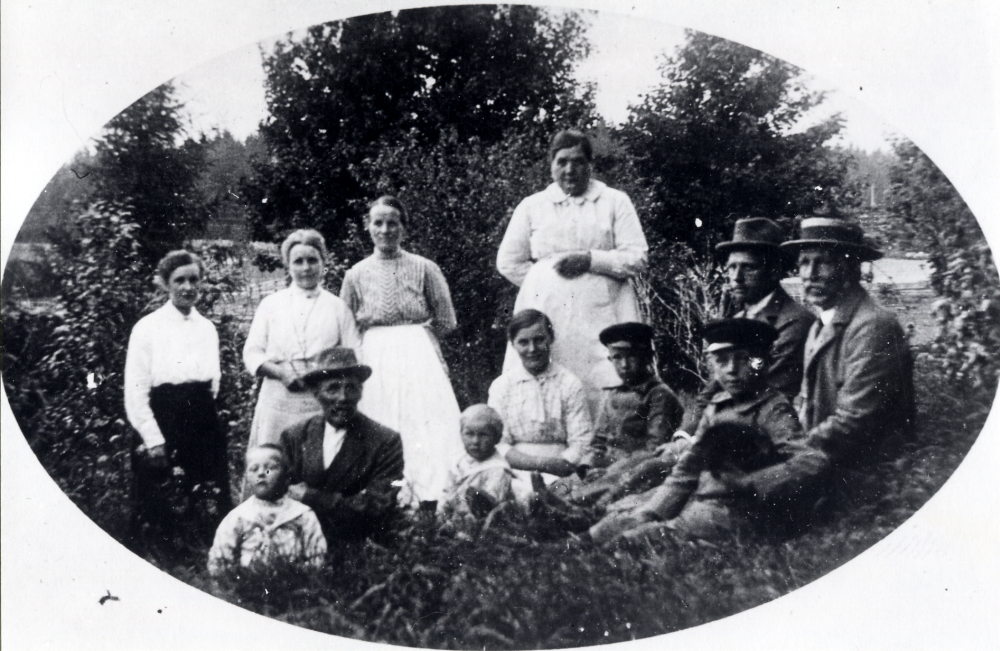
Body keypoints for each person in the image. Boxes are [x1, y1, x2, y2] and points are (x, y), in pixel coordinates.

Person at [589, 319, 827, 544]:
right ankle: (586, 535)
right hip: (705, 498)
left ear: (763, 361)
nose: (732, 370)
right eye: (722, 361)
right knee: (624, 519)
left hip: (740, 510)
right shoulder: (717, 406)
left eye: (743, 359)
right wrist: (653, 511)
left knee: (642, 539)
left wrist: (751, 482)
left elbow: (811, 460)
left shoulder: (772, 409)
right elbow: (687, 469)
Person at [496, 129, 649, 415]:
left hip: (606, 310)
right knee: (553, 372)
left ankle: (607, 442)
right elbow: (508, 261)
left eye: (578, 161)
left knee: (606, 372)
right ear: (551, 164)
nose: (570, 169)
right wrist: (544, 281)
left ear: (590, 165)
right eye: (562, 161)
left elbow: (637, 257)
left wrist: (591, 261)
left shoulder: (615, 201)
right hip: (550, 311)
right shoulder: (532, 206)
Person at [339, 196, 464, 508]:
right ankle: (383, 497)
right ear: (367, 228)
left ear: (404, 228)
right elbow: (345, 322)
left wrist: (418, 341)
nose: (385, 229)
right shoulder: (355, 273)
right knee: (379, 417)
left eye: (392, 222)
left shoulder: (425, 268)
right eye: (378, 223)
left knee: (425, 420)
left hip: (417, 353)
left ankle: (432, 496)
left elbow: (447, 320)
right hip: (374, 355)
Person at [780, 217, 916, 465]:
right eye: (804, 263)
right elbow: (806, 407)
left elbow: (854, 421)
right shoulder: (821, 323)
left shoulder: (873, 326)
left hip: (867, 474)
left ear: (851, 269)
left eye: (824, 263)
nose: (810, 275)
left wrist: (786, 455)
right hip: (822, 459)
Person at [124, 250, 231, 546]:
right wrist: (153, 438)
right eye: (179, 280)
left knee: (207, 492)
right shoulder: (147, 328)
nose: (187, 287)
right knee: (159, 497)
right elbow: (135, 389)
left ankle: (206, 550)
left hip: (201, 417)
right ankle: (162, 555)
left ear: (202, 282)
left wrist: (205, 416)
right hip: (163, 417)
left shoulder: (207, 328)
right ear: (164, 284)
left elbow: (214, 382)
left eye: (193, 280)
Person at [243, 229, 361, 449]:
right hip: (279, 396)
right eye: (298, 261)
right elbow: (252, 353)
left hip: (323, 400)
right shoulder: (271, 305)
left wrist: (327, 376)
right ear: (288, 265)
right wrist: (281, 373)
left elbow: (353, 354)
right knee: (274, 463)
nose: (306, 268)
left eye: (312, 260)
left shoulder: (337, 307)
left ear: (323, 263)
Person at [553, 322, 687, 508]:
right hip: (602, 469)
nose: (624, 365)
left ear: (648, 357)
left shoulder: (658, 395)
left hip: (632, 473)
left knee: (576, 500)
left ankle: (567, 511)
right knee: (556, 489)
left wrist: (608, 468)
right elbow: (597, 442)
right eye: (617, 358)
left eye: (631, 356)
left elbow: (654, 450)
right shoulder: (612, 394)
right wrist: (588, 466)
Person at [279, 347, 405, 541]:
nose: (343, 398)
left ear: (361, 392)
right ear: (316, 393)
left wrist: (312, 497)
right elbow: (280, 488)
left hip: (359, 544)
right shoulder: (294, 436)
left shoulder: (385, 441)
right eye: (333, 388)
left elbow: (378, 505)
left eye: (351, 388)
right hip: (299, 539)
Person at [487, 310, 593, 483]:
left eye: (539, 340)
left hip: (561, 468)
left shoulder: (569, 383)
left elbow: (581, 441)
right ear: (513, 344)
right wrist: (538, 464)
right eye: (523, 342)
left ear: (550, 339)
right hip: (515, 468)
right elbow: (498, 442)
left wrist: (562, 465)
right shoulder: (502, 386)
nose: (532, 349)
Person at [208, 445, 326, 576]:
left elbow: (317, 558)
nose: (261, 473)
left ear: (286, 476)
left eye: (270, 468)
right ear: (247, 478)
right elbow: (220, 561)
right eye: (254, 469)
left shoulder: (302, 515)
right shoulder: (238, 517)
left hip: (294, 586)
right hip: (249, 587)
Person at [438, 405, 519, 521]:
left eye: (483, 435)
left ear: (497, 438)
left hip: (481, 523)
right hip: (453, 519)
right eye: (469, 434)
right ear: (461, 435)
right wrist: (441, 514)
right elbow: (446, 492)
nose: (475, 441)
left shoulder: (497, 469)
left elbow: (491, 507)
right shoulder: (458, 462)